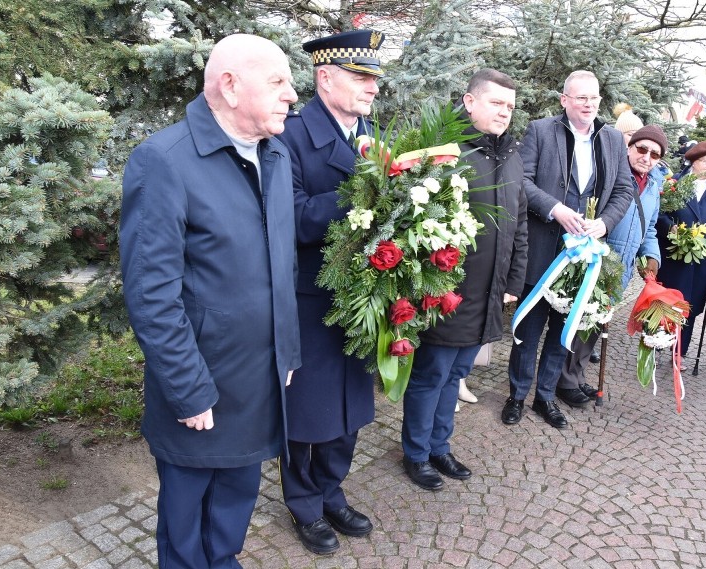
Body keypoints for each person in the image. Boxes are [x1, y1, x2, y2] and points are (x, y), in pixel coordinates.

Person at [119, 34, 301, 568]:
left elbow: (281, 265)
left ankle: (223, 560)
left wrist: (285, 352)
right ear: (229, 85)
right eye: (278, 82)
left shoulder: (276, 153)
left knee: (238, 491)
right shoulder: (164, 161)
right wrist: (189, 389)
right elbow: (152, 295)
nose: (292, 94)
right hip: (201, 382)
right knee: (187, 507)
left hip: (260, 373)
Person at [277, 29, 384, 555]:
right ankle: (302, 503)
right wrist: (360, 193)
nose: (371, 88)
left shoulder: (371, 131)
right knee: (307, 411)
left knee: (350, 405)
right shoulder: (291, 136)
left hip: (365, 292)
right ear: (325, 77)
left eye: (373, 79)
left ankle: (331, 490)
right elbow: (293, 219)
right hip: (312, 296)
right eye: (360, 77)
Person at [401, 69, 528, 491]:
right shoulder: (447, 152)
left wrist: (514, 278)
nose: (504, 112)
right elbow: (415, 223)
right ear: (470, 101)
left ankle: (440, 447)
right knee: (431, 376)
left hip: (489, 291)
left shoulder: (510, 154)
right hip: (447, 291)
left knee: (456, 375)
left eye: (510, 106)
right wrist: (432, 285)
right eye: (496, 103)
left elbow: (519, 221)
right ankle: (417, 454)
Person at [505, 70, 633, 428]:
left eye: (594, 98)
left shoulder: (610, 139)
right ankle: (517, 395)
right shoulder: (541, 130)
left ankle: (545, 397)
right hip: (544, 249)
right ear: (565, 100)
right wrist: (555, 209)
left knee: (565, 332)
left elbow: (624, 190)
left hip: (585, 256)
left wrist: (604, 222)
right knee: (528, 332)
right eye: (581, 98)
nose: (589, 104)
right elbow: (522, 182)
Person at [556, 125, 667, 407]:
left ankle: (577, 376)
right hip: (598, 261)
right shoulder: (613, 177)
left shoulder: (653, 186)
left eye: (654, 154)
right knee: (582, 319)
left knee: (597, 324)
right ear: (629, 148)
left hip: (623, 267)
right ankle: (564, 381)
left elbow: (650, 227)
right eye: (642, 149)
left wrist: (652, 258)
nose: (646, 157)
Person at [655, 141, 706, 365]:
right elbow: (659, 213)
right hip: (674, 259)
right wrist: (669, 227)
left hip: (702, 262)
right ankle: (655, 344)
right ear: (694, 162)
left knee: (690, 309)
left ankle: (679, 353)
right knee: (666, 304)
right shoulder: (675, 184)